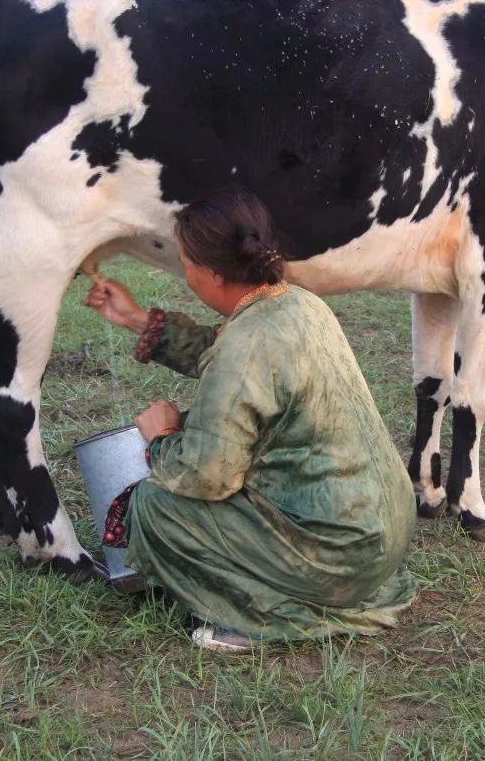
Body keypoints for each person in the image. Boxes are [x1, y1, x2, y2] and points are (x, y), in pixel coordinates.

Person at [83, 190, 416, 652]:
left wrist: (160, 438)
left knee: (155, 508)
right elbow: (233, 357)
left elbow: (206, 477)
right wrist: (139, 321)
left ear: (214, 273)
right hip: (382, 532)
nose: (186, 276)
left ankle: (261, 618)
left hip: (337, 559)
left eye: (187, 264)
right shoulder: (297, 303)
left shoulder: (246, 346)